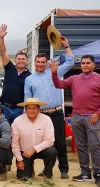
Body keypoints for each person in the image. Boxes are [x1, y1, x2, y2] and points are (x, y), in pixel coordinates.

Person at [51, 55, 100, 187]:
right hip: (77, 116)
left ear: (94, 65)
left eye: (88, 63)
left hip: (92, 117)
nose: (85, 65)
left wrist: (98, 113)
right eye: (83, 63)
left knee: (94, 145)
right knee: (81, 146)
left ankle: (97, 174)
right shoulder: (75, 79)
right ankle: (85, 172)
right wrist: (54, 73)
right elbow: (58, 84)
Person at [24, 36, 74, 179]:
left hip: (57, 113)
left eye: (43, 62)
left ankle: (64, 170)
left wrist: (66, 46)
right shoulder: (29, 79)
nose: (40, 64)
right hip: (41, 115)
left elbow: (70, 62)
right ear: (34, 63)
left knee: (60, 141)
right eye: (38, 62)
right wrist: (26, 115)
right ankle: (47, 170)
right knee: (42, 143)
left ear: (46, 63)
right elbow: (27, 98)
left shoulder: (55, 72)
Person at [11, 98, 57, 185]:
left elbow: (50, 140)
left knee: (52, 151)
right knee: (23, 177)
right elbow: (15, 143)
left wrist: (34, 149)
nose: (32, 110)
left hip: (42, 150)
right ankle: (30, 169)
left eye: (34, 108)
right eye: (29, 108)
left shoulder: (46, 119)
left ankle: (48, 174)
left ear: (39, 109)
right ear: (25, 109)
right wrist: (19, 159)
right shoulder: (17, 121)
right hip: (25, 152)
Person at [0, 24, 31, 124]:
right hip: (4, 108)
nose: (21, 61)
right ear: (15, 61)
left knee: (18, 135)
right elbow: (3, 52)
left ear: (27, 61)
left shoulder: (30, 76)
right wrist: (1, 38)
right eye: (19, 59)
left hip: (19, 110)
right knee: (4, 134)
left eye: (23, 59)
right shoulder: (9, 68)